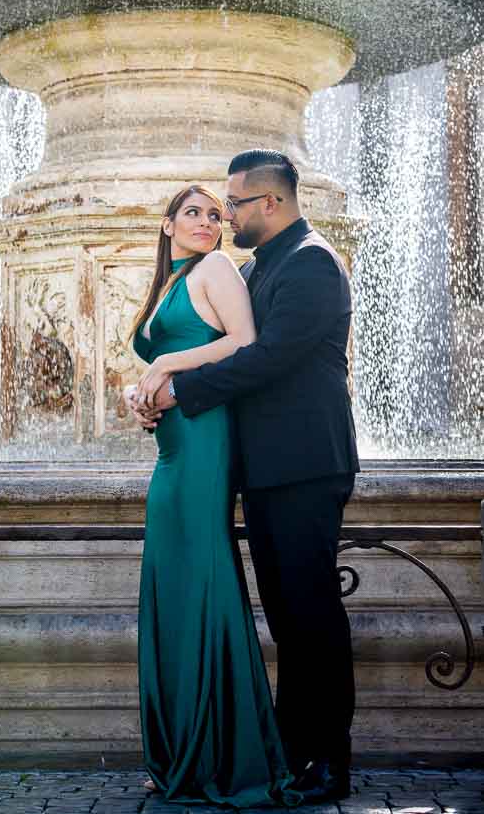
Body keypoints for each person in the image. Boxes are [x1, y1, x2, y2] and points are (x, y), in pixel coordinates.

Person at [131, 150, 360, 805]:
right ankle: (291, 749)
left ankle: (328, 760)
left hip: (305, 465)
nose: (225, 213)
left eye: (232, 203)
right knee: (289, 619)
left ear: (270, 203)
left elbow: (267, 358)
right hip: (267, 468)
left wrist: (179, 390)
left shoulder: (312, 261)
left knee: (311, 615)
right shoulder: (261, 264)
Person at [126, 183, 300, 808]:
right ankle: (178, 751)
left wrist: (164, 369)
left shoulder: (218, 267)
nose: (207, 222)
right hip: (173, 448)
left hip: (204, 443)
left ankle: (224, 755)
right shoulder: (169, 284)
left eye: (214, 214)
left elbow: (242, 342)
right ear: (168, 223)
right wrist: (140, 391)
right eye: (193, 213)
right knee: (172, 586)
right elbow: (168, 355)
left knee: (203, 583)